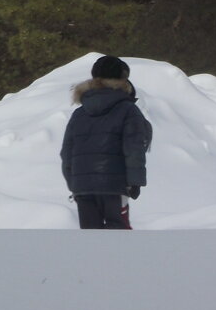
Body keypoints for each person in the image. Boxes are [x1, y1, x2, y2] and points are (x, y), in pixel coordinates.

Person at [60, 55, 152, 229]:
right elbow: (133, 148)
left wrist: (74, 183)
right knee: (118, 235)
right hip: (115, 186)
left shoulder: (79, 114)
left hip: (83, 187)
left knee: (91, 238)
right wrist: (135, 181)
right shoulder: (128, 110)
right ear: (123, 79)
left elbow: (67, 153)